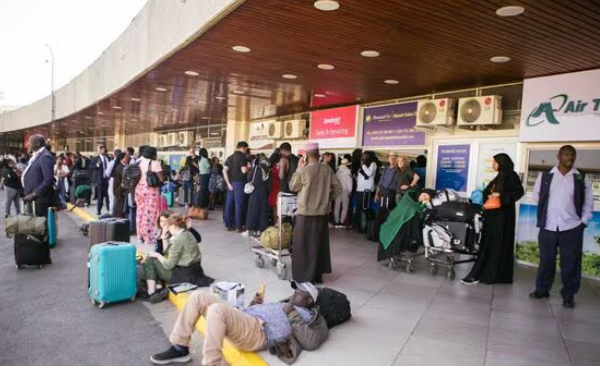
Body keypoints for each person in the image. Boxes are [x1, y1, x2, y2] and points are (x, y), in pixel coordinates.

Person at [150, 281, 328, 366]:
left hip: (258, 334)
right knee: (198, 296)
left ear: (309, 301)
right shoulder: (288, 303)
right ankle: (180, 348)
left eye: (300, 293)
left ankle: (211, 363)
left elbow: (311, 342)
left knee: (216, 310)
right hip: (247, 320)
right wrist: (255, 304)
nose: (295, 293)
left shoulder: (307, 315)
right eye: (296, 290)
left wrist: (293, 315)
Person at [529, 145, 593, 308]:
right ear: (558, 156)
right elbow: (537, 196)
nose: (569, 157)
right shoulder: (545, 176)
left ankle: (568, 295)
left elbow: (588, 203)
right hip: (548, 226)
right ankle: (542, 290)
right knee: (546, 261)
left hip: (572, 228)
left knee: (571, 263)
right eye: (565, 154)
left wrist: (583, 222)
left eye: (572, 154)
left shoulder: (580, 178)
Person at [461, 153, 524, 285]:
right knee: (490, 243)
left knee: (496, 243)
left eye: (495, 162)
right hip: (493, 216)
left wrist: (501, 195)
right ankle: (486, 274)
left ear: (501, 163)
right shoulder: (499, 176)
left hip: (502, 217)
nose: (493, 165)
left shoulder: (511, 176)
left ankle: (487, 275)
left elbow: (518, 192)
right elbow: (488, 193)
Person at [290, 142, 342, 283]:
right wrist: (326, 200)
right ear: (318, 154)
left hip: (305, 214)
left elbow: (293, 186)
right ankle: (317, 276)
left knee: (303, 246)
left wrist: (298, 169)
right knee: (318, 245)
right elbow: (338, 189)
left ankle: (303, 277)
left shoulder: (304, 170)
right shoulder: (327, 169)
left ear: (306, 155)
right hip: (321, 214)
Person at [140, 214, 206, 304]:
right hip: (196, 272)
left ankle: (151, 292)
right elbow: (167, 253)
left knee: (150, 260)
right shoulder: (188, 234)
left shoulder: (178, 240)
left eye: (168, 226)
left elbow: (168, 265)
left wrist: (158, 255)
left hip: (183, 275)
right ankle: (158, 288)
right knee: (155, 261)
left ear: (173, 226)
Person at [21, 134, 55, 263]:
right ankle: (38, 254)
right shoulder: (38, 156)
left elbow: (48, 180)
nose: (28, 145)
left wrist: (34, 193)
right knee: (36, 228)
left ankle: (43, 257)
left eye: (30, 142)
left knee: (40, 228)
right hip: (33, 199)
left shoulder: (45, 156)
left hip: (39, 199)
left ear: (37, 144)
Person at [378, 188, 437, 262]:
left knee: (411, 220)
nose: (424, 198)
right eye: (424, 195)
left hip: (406, 224)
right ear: (421, 193)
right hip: (395, 219)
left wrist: (423, 205)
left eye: (427, 198)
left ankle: (403, 247)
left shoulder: (420, 205)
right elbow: (407, 209)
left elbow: (418, 212)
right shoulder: (408, 198)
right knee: (412, 216)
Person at [135, 146, 164, 244]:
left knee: (140, 212)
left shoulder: (138, 161)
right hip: (150, 190)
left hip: (139, 189)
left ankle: (140, 236)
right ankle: (149, 237)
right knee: (151, 214)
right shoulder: (155, 163)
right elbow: (161, 179)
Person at [223, 141, 250, 232]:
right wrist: (249, 168)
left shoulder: (230, 157)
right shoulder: (243, 157)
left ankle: (229, 225)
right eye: (246, 149)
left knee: (229, 204)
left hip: (230, 183)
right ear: (243, 148)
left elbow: (224, 171)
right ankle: (239, 226)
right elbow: (244, 171)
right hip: (240, 183)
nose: (246, 151)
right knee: (239, 204)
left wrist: (228, 183)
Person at [243, 154, 271, 237]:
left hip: (255, 190)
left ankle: (250, 229)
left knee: (253, 210)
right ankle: (261, 230)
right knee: (263, 211)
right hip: (264, 192)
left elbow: (250, 178)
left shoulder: (257, 168)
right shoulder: (268, 170)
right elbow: (269, 184)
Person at [352, 151, 377, 232]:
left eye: (364, 155)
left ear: (368, 156)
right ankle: (357, 226)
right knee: (358, 208)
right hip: (359, 189)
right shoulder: (362, 166)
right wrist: (355, 178)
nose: (362, 157)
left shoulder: (373, 164)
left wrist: (363, 165)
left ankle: (363, 226)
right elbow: (362, 177)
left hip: (366, 190)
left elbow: (368, 174)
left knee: (364, 208)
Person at [91, 145, 110, 216]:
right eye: (103, 150)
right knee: (100, 196)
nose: (105, 151)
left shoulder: (108, 158)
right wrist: (97, 165)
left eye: (106, 150)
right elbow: (90, 167)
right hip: (100, 180)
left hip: (107, 180)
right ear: (100, 150)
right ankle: (99, 210)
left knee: (108, 195)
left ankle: (109, 209)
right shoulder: (95, 159)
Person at [334, 158, 352, 228]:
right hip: (345, 190)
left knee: (337, 206)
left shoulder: (337, 171)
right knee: (345, 206)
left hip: (338, 190)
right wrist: (350, 190)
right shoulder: (347, 171)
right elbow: (349, 182)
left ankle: (336, 221)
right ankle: (341, 222)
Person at [112, 152, 130, 218]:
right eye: (126, 157)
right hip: (120, 191)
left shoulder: (126, 166)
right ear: (121, 159)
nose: (128, 158)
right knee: (119, 208)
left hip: (123, 190)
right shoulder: (120, 168)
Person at [105, 149, 123, 214]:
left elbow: (107, 173)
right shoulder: (124, 162)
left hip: (113, 181)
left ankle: (112, 213)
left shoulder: (112, 162)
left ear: (114, 155)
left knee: (112, 198)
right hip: (122, 182)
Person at [268, 152, 281, 224]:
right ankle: (276, 223)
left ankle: (275, 223)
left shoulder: (270, 169)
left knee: (274, 208)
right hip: (276, 189)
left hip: (273, 189)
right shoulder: (275, 170)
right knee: (276, 209)